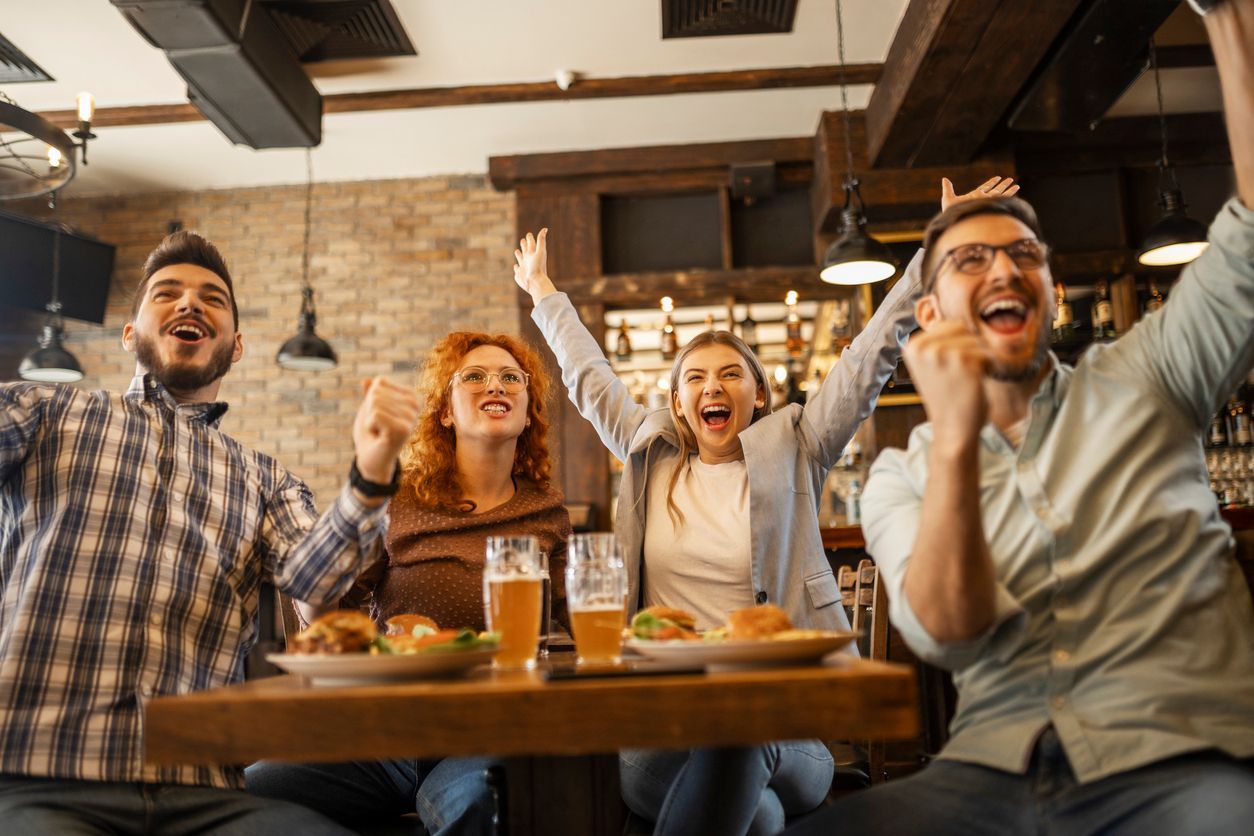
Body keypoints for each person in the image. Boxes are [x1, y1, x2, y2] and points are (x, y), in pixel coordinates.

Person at [788, 3, 1254, 834]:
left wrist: (1229, 20)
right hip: (988, 776)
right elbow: (948, 632)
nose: (1004, 266)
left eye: (1024, 256)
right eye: (972, 258)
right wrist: (960, 439)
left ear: (1048, 291)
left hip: (1184, 761)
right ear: (928, 314)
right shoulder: (904, 474)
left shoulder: (1150, 374)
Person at [510, 178, 1017, 836]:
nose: (710, 387)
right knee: (761, 816)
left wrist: (937, 251)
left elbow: (871, 356)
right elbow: (587, 374)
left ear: (759, 392)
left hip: (786, 723)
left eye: (728, 374)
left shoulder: (798, 446)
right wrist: (543, 292)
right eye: (693, 377)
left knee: (743, 735)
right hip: (660, 726)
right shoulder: (647, 455)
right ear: (676, 403)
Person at [0, 231, 420, 834]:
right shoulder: (47, 413)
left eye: (213, 299)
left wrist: (372, 474)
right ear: (130, 334)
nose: (190, 304)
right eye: (166, 293)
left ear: (236, 345)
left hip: (202, 794)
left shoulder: (265, 479)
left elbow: (314, 583)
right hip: (37, 781)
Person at [247, 331, 571, 834]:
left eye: (512, 377)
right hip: (384, 734)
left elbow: (567, 629)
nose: (497, 385)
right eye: (475, 376)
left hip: (490, 731)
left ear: (528, 412)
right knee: (247, 791)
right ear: (445, 411)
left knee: (480, 804)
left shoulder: (546, 510)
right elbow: (323, 616)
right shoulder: (399, 500)